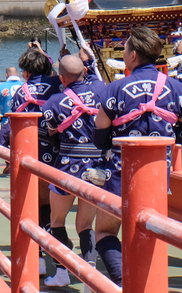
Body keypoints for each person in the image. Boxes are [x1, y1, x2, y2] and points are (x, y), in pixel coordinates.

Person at [91, 26, 182, 287]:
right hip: (158, 170)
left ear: (132, 56)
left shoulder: (114, 89)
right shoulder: (177, 89)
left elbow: (99, 136)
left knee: (106, 230)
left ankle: (124, 283)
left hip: (120, 169)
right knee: (148, 227)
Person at [0, 47, 61, 274]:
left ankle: (38, 261)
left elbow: (11, 125)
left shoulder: (22, 92)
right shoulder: (58, 84)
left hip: (31, 155)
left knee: (34, 210)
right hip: (59, 155)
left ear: (26, 72)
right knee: (55, 211)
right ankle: (62, 264)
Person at [40, 55, 104, 287]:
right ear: (85, 73)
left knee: (57, 220)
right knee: (86, 225)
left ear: (61, 78)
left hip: (67, 165)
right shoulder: (100, 93)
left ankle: (62, 272)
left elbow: (49, 132)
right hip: (97, 166)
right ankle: (90, 275)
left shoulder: (53, 102)